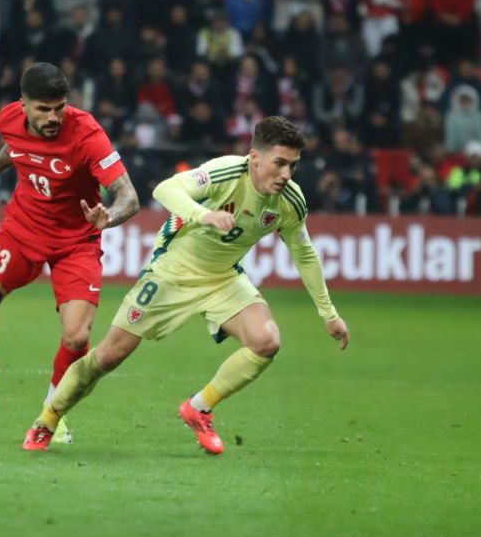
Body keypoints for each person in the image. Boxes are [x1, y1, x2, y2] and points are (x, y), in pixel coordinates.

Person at [22, 116, 350, 454]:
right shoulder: (227, 172)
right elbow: (165, 189)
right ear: (254, 157)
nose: (286, 174)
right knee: (108, 356)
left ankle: (199, 408)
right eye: (279, 163)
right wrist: (203, 215)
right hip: (171, 272)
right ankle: (46, 420)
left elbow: (304, 254)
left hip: (223, 277)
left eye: (293, 166)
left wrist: (329, 314)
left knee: (266, 341)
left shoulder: (290, 201)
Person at [0, 63, 139, 441]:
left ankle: (53, 412)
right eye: (43, 109)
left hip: (76, 241)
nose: (53, 117)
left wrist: (107, 218)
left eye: (59, 107)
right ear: (23, 105)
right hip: (22, 231)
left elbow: (129, 197)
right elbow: (14, 148)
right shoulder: (8, 119)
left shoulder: (88, 134)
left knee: (77, 338)